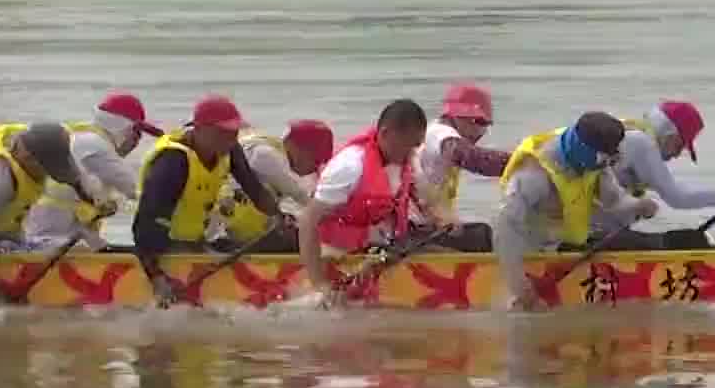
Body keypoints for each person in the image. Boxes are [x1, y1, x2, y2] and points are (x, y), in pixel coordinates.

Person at [494, 112, 658, 311]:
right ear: (583, 149)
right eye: (604, 158)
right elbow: (505, 231)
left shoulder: (594, 159)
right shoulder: (533, 176)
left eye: (612, 157)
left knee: (640, 241)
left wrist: (638, 205)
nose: (608, 164)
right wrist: (521, 289)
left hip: (565, 245)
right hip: (529, 254)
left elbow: (614, 200)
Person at [131, 96, 281, 305]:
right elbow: (145, 224)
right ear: (199, 129)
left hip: (196, 242)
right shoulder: (172, 162)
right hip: (162, 246)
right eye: (223, 133)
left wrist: (279, 217)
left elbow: (255, 191)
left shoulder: (229, 149)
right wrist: (156, 277)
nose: (230, 140)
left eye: (234, 133)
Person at [297, 99, 428, 298]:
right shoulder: (349, 166)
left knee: (460, 242)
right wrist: (319, 285)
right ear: (385, 134)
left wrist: (446, 217)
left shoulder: (404, 158)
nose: (412, 152)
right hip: (337, 253)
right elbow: (307, 221)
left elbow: (428, 197)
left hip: (380, 248)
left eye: (416, 145)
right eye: (408, 145)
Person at [0, 122, 85, 304]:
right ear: (27, 158)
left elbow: (72, 176)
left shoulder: (34, 141)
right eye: (47, 169)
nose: (50, 175)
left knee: (70, 244)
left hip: (7, 230)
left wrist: (90, 197)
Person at [598, 100, 715, 248]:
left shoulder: (629, 134)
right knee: (688, 242)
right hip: (597, 237)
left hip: (600, 231)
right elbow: (678, 197)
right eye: (679, 145)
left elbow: (676, 187)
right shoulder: (640, 143)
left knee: (683, 239)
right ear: (669, 134)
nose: (677, 155)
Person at [24, 93, 163, 250]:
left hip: (63, 235)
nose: (138, 141)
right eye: (136, 132)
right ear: (122, 129)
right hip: (53, 240)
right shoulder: (94, 147)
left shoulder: (82, 137)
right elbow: (137, 190)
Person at [409, 82, 509, 252]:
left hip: (426, 225)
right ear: (456, 117)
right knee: (482, 235)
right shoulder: (441, 133)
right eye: (477, 121)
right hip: (416, 231)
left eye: (485, 124)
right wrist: (523, 161)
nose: (480, 131)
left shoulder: (435, 133)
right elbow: (474, 159)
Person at [213, 119, 335, 253]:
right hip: (228, 232)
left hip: (230, 223)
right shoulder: (266, 154)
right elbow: (298, 193)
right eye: (316, 161)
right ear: (297, 147)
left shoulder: (264, 144)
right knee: (304, 238)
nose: (314, 169)